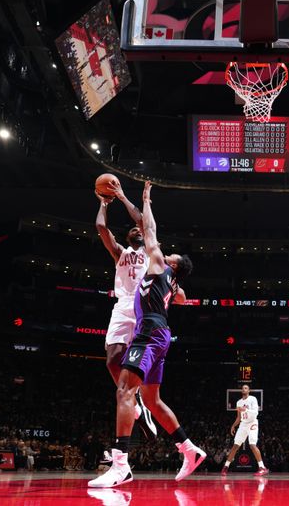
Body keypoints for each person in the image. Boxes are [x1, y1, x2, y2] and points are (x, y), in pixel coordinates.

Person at [89, 181, 203, 488]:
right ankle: (189, 449)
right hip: (158, 332)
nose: (167, 255)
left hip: (149, 330)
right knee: (152, 399)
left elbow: (149, 229)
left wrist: (144, 200)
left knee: (125, 391)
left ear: (174, 267)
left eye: (172, 256)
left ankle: (120, 464)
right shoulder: (163, 276)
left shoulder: (158, 268)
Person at [95, 182, 157, 444]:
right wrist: (103, 203)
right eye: (132, 230)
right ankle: (138, 403)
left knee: (134, 363)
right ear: (128, 237)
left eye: (138, 229)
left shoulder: (148, 250)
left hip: (143, 307)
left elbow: (144, 220)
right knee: (112, 360)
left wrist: (120, 197)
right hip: (122, 306)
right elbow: (101, 227)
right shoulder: (120, 252)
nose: (136, 229)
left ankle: (137, 398)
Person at [221, 384, 269, 476]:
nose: (244, 389)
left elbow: (256, 412)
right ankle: (225, 467)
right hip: (243, 424)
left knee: (252, 444)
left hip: (252, 422)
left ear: (249, 390)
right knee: (235, 446)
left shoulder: (253, 399)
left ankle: (262, 468)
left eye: (246, 388)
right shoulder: (238, 402)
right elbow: (239, 417)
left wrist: (245, 410)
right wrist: (233, 426)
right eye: (242, 388)